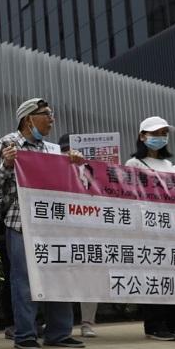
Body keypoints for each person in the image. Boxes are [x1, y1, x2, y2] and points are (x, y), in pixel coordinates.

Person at [0, 98, 87, 349]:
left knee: (60, 275)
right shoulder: (7, 144)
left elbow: (70, 183)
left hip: (53, 223)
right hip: (20, 222)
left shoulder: (54, 150)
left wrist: (74, 164)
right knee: (23, 279)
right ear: (28, 119)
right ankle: (25, 334)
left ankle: (59, 332)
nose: (52, 119)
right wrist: (8, 165)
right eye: (46, 114)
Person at [125, 117, 175, 341]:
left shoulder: (172, 167)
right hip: (147, 227)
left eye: (163, 134)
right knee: (153, 277)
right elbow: (129, 195)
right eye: (155, 133)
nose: (160, 138)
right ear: (142, 137)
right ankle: (154, 324)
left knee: (174, 275)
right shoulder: (134, 164)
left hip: (173, 228)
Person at [59, 134, 98, 338]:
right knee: (61, 275)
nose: (71, 154)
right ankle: (57, 322)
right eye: (65, 150)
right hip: (62, 232)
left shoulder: (91, 170)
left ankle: (87, 322)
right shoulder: (55, 169)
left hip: (88, 231)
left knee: (89, 276)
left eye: (72, 150)